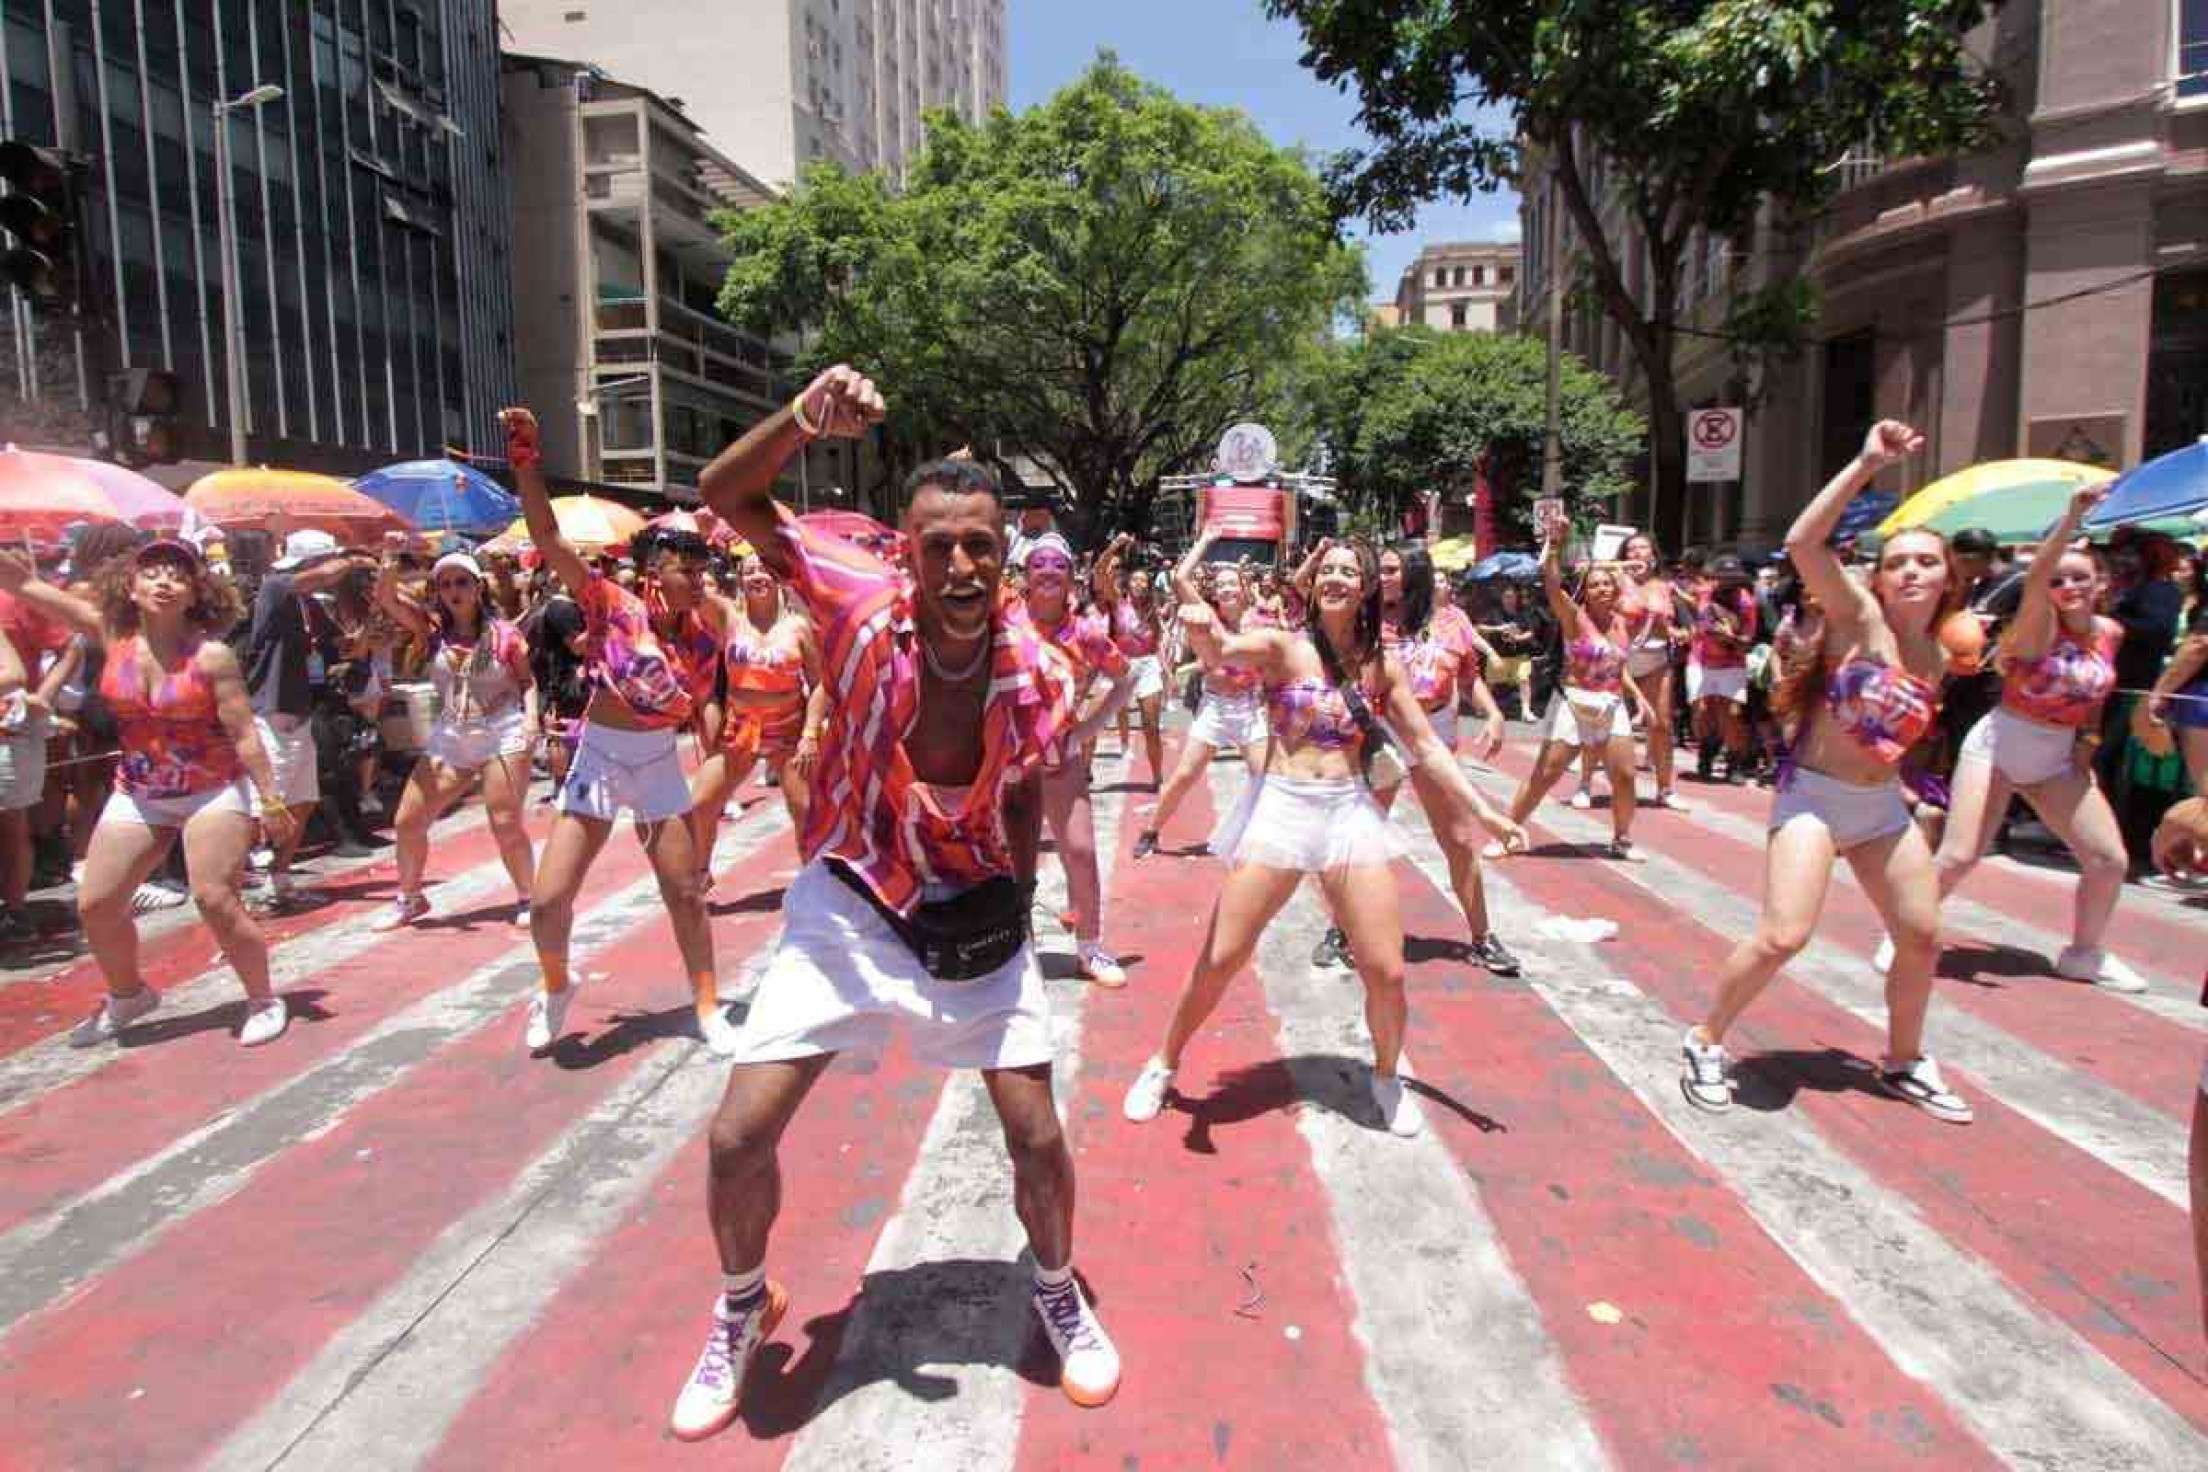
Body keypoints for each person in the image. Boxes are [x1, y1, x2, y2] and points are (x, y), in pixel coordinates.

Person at [680, 364, 1118, 1439]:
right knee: (738, 1134)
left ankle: (1055, 1286)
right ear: (906, 550)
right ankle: (745, 1305)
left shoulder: (1042, 676)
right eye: (939, 544)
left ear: (1006, 554)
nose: (961, 563)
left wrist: (1015, 904)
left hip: (972, 910)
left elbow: (1022, 797)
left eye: (981, 543)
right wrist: (799, 421)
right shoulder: (847, 589)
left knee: (1040, 1137)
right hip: (850, 900)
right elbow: (723, 492)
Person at [1121, 540, 1522, 1138]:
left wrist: (1484, 814)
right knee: (1222, 957)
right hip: (1282, 809)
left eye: (1348, 571)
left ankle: (1385, 1077)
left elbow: (1429, 746)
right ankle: (1164, 1062)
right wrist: (1201, 626)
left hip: (1348, 816)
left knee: (1385, 970)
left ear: (1365, 589)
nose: (1335, 578)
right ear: (1314, 583)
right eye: (1327, 569)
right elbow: (1223, 650)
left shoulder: (1383, 665)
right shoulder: (1282, 646)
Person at [1680, 422, 1972, 1123]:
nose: (1910, 572)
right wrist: (1865, 463)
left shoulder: (1938, 655)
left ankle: (1904, 1059)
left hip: (1880, 813)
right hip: (1812, 798)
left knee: (1922, 936)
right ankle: (1705, 1039)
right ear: (1877, 576)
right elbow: (1805, 544)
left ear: (1947, 579)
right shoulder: (1858, 617)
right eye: (1897, 560)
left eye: (1926, 563)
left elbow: (1896, 734)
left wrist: (1910, 788)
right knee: (1785, 935)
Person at [501, 408, 735, 1055]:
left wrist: (719, 771)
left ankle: (708, 1005)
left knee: (686, 894)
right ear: (655, 570)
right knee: (548, 904)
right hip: (599, 759)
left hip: (659, 763)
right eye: (683, 567)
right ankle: (555, 985)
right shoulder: (610, 604)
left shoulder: (706, 638)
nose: (695, 577)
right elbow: (548, 538)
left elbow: (703, 711)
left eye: (701, 567)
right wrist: (527, 460)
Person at [0, 540, 298, 1045]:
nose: (163, 582)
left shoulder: (212, 655)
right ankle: (128, 994)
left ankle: (263, 997)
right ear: (131, 588)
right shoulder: (109, 634)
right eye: (152, 574)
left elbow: (244, 732)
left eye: (177, 576)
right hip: (140, 790)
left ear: (194, 593)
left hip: (211, 789)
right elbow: (24, 585)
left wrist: (271, 800)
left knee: (214, 897)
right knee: (96, 905)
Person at [1876, 488, 2140, 991]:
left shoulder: (2110, 631)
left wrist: (2088, 738)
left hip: (2056, 759)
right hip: (1999, 745)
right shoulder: (2038, 626)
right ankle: (1902, 932)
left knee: (2110, 861)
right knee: (1959, 856)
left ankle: (2085, 953)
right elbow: (2037, 577)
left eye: (2080, 578)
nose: (2068, 587)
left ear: (2101, 582)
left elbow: (2099, 691)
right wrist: (2074, 516)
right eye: (2060, 580)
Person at [1312, 540, 1517, 976]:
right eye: (1378, 571)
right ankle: (1340, 929)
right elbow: (1311, 605)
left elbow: (1469, 676)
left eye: (1389, 570)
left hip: (1433, 733)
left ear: (1415, 574)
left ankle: (1482, 936)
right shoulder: (1364, 624)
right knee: (1359, 834)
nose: (1381, 577)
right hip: (1378, 732)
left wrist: (1494, 712)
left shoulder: (1451, 621)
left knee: (1460, 840)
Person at [370, 549, 539, 929]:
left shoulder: (504, 635)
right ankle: (410, 898)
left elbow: (527, 681)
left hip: (501, 732)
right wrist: (388, 566)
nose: (453, 591)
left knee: (504, 821)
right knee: (408, 821)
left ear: (478, 587)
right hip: (451, 736)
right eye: (445, 584)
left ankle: (530, 896)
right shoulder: (432, 632)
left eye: (461, 582)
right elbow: (386, 599)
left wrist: (531, 721)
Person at [1487, 516, 1653, 862]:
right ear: (1585, 592)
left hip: (1611, 705)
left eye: (1608, 584)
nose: (1602, 589)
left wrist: (1636, 697)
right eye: (1594, 585)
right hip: (1574, 705)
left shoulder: (1626, 622)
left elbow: (1619, 663)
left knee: (1624, 776)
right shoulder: (1574, 617)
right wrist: (1557, 545)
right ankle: (1507, 834)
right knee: (1544, 776)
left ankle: (1622, 839)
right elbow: (1550, 584)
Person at [1022, 531, 1136, 985]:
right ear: (1025, 575)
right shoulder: (1003, 622)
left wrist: (1089, 728)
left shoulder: (1086, 633)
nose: (1048, 571)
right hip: (1007, 766)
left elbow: (1127, 678)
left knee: (1082, 852)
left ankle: (1090, 947)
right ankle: (1018, 949)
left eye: (1059, 565)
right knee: (1012, 861)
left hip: (1062, 762)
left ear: (1072, 576)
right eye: (1038, 564)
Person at [240, 529, 375, 912]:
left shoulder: (310, 606)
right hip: (270, 710)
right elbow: (316, 578)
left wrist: (369, 631)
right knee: (267, 804)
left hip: (300, 712)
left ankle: (279, 879)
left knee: (302, 800)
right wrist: (354, 560)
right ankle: (240, 875)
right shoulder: (276, 587)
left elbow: (342, 646)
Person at [686, 551, 826, 875]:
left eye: (764, 570)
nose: (757, 577)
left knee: (804, 809)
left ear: (777, 578)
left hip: (788, 728)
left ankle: (816, 882)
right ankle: (700, 874)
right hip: (741, 728)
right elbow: (696, 592)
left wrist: (810, 734)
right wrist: (703, 542)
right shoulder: (728, 617)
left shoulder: (799, 628)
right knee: (700, 804)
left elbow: (820, 684)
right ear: (740, 579)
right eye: (749, 572)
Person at [1134, 528, 1271, 859]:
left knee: (1267, 776)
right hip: (1215, 709)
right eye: (1220, 584)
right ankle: (1151, 831)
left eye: (1231, 583)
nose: (1225, 589)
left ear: (1243, 589)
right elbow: (1181, 577)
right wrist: (1206, 541)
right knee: (1184, 775)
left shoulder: (1260, 621)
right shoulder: (1207, 616)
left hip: (1250, 710)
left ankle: (1267, 838)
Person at [1619, 532, 1689, 809]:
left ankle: (1665, 789)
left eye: (1642, 548)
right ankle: (1588, 782)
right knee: (1606, 724)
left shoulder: (1665, 587)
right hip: (1619, 660)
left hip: (1655, 661)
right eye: (1631, 549)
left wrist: (1677, 632)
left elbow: (1685, 625)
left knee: (1661, 725)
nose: (1637, 554)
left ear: (1653, 555)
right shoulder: (1614, 581)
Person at [1091, 536, 1167, 786]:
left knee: (1150, 725)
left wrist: (1168, 671)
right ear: (1128, 583)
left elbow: (1157, 645)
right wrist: (1114, 547)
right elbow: (1100, 573)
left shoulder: (1153, 611)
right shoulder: (1117, 602)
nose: (1139, 584)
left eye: (1144, 581)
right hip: (1120, 665)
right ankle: (1083, 771)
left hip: (1147, 667)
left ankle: (1157, 778)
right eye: (1135, 579)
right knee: (1094, 719)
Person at [1689, 554, 1760, 783]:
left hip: (1732, 660)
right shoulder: (1704, 594)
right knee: (1702, 712)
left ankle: (1734, 762)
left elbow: (1747, 642)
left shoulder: (1747, 602)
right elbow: (1697, 620)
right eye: (1723, 578)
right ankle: (1706, 753)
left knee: (1730, 714)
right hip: (1701, 658)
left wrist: (1731, 637)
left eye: (1733, 579)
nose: (1727, 583)